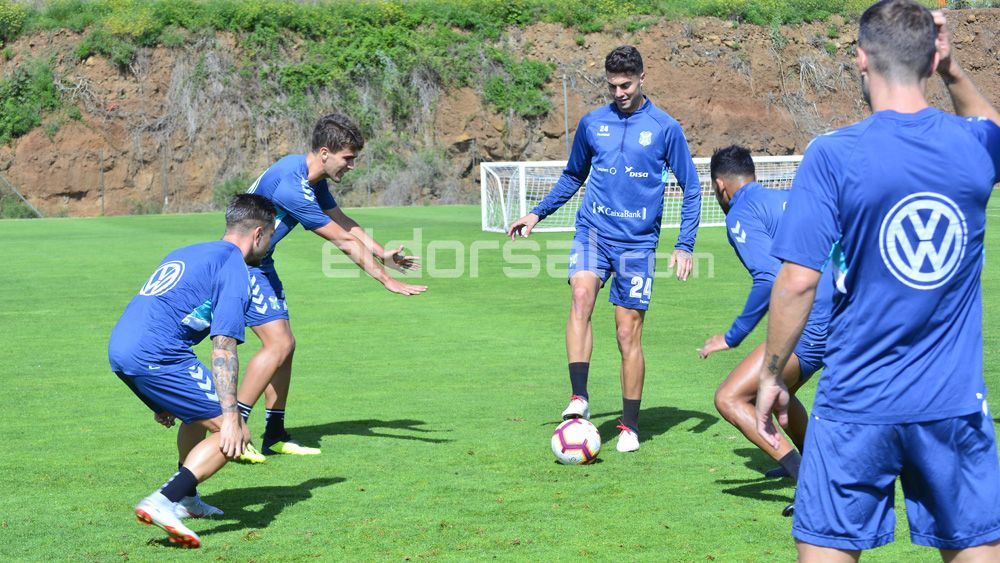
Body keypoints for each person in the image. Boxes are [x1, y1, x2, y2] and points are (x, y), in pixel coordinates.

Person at [753, 3, 1000, 560]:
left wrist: (772, 375)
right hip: (952, 405)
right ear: (931, 58)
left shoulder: (833, 154)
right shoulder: (973, 147)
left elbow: (795, 282)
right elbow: (993, 128)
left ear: (861, 59)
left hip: (855, 405)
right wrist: (956, 70)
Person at [507, 45, 701, 452]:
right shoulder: (593, 124)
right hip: (592, 232)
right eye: (612, 85)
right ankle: (579, 397)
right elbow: (573, 175)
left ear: (642, 78)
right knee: (580, 297)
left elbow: (692, 187)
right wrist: (537, 214)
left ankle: (629, 427)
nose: (619, 92)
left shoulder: (665, 128)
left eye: (626, 84)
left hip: (636, 244)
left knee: (627, 334)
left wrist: (684, 244)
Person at [236, 113, 427, 462]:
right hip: (239, 267)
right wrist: (387, 281)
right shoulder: (292, 187)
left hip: (261, 264)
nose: (352, 166)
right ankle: (234, 427)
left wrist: (382, 252)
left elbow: (342, 221)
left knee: (285, 349)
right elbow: (341, 240)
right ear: (325, 152)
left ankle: (274, 435)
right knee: (279, 344)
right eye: (348, 158)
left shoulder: (309, 174)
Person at [108, 194, 276, 548]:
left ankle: (187, 500)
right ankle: (164, 500)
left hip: (122, 349)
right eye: (271, 236)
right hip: (159, 353)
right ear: (258, 233)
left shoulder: (189, 251)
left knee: (195, 417)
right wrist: (232, 415)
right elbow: (223, 345)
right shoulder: (234, 267)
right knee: (234, 434)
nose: (270, 244)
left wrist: (157, 399)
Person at [698, 145, 832, 506]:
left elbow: (769, 277)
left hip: (812, 318)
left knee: (731, 398)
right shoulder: (784, 198)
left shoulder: (740, 212)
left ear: (720, 186)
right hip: (841, 309)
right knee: (777, 395)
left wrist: (732, 336)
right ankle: (817, 467)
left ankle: (809, 482)